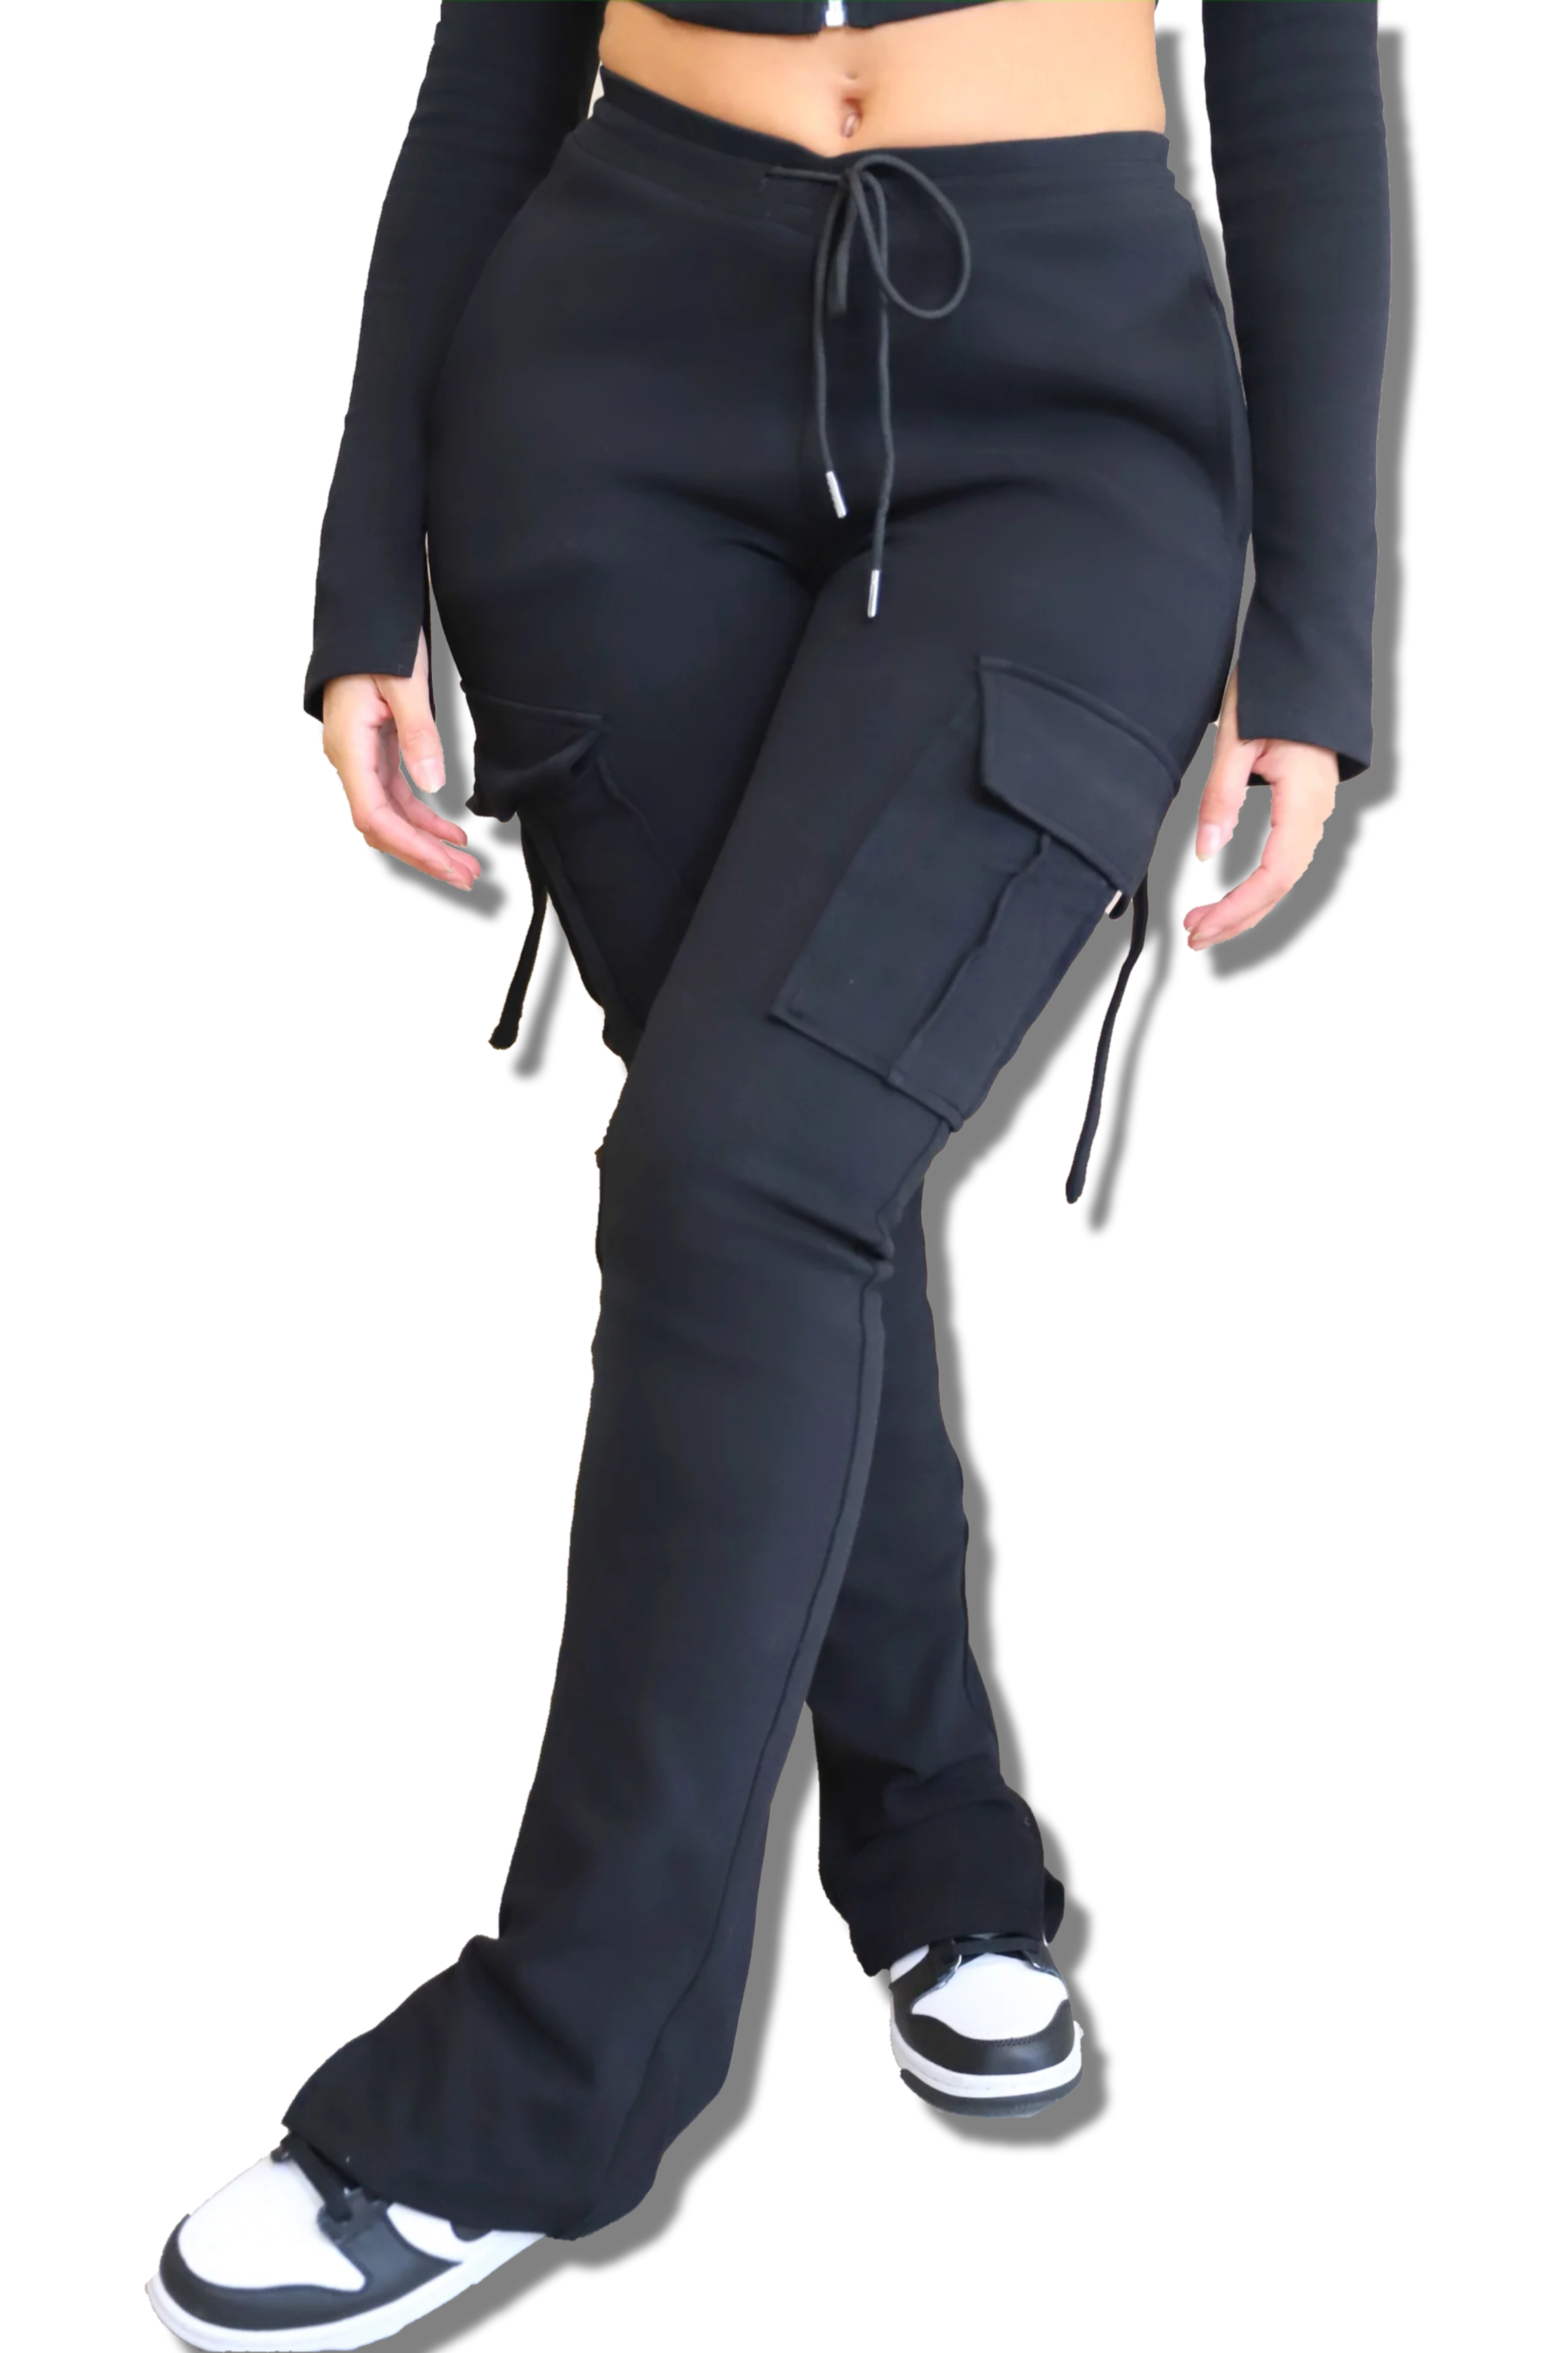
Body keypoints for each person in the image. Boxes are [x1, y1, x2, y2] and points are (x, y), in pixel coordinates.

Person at [146, 4, 1389, 2343]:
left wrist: (1316, 629)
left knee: (744, 1178)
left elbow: (1299, 77)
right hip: (606, 396)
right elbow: (493, 61)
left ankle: (541, 2084)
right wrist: (360, 564)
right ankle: (941, 1856)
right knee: (776, 1198)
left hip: (1067, 418)